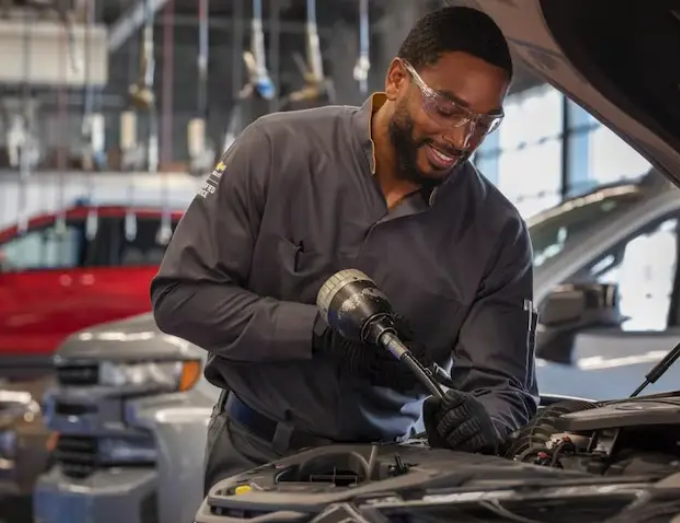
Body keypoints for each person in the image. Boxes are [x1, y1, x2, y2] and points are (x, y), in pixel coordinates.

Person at [150, 6, 539, 495]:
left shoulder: (497, 232)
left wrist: (485, 423)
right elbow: (181, 297)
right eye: (446, 109)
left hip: (389, 476)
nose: (460, 139)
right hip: (254, 455)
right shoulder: (275, 150)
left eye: (483, 123)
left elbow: (504, 388)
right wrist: (315, 332)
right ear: (397, 79)